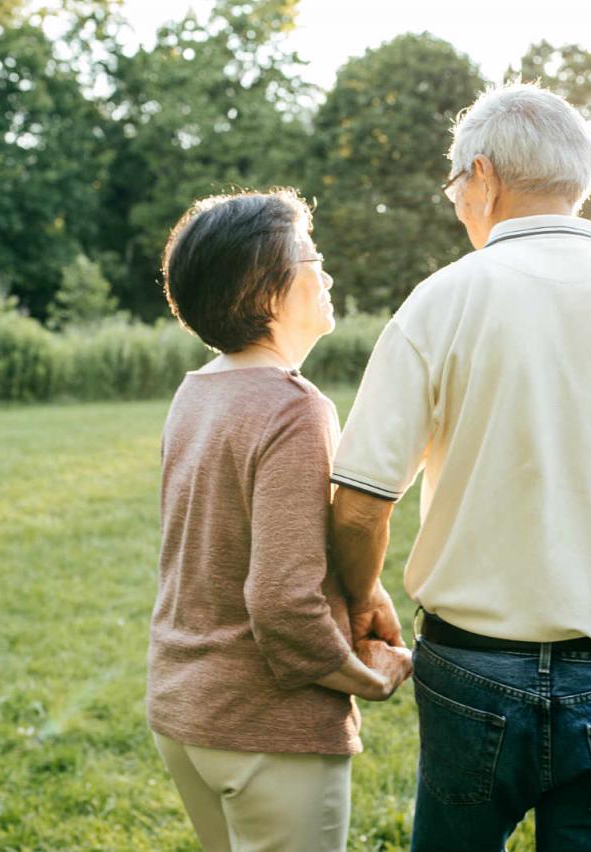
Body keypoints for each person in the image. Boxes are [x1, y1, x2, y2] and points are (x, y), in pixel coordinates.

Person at [328, 84, 591, 851]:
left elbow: (358, 504)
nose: (458, 205)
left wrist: (360, 596)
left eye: (456, 188)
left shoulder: (438, 302)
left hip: (471, 668)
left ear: (481, 175)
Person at [147, 189, 413, 852]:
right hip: (266, 731)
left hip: (183, 715)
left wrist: (363, 589)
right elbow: (281, 603)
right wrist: (363, 678)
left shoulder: (197, 391)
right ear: (262, 291)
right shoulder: (294, 407)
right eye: (311, 258)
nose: (326, 275)